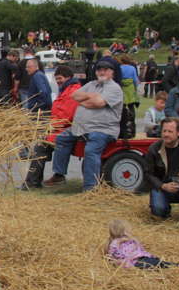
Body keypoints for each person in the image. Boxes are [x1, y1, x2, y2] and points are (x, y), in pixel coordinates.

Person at [44, 59, 123, 191]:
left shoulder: (114, 88)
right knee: (61, 138)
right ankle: (59, 175)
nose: (102, 72)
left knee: (91, 151)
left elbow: (99, 103)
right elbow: (75, 96)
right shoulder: (92, 84)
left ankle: (90, 188)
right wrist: (92, 96)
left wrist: (85, 100)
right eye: (99, 70)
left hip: (102, 129)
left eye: (105, 70)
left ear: (112, 72)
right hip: (81, 128)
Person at [22, 66, 81, 189]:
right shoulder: (66, 89)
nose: (58, 81)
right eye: (56, 79)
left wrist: (50, 126)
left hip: (66, 129)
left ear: (68, 77)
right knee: (41, 145)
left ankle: (33, 182)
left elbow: (66, 116)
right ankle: (33, 182)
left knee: (41, 146)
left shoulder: (73, 91)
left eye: (60, 78)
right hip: (61, 128)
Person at [105, 219, 179, 269]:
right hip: (136, 262)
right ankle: (178, 266)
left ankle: (178, 265)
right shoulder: (115, 243)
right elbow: (115, 254)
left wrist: (133, 239)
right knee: (159, 265)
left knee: (159, 263)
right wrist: (119, 242)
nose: (129, 231)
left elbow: (140, 248)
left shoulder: (130, 240)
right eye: (127, 229)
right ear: (122, 230)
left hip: (144, 258)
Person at [117, 54, 139, 138]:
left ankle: (122, 127)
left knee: (122, 108)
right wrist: (135, 89)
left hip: (122, 88)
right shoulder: (132, 68)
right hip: (130, 89)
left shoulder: (120, 68)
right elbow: (135, 80)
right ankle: (132, 127)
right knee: (131, 107)